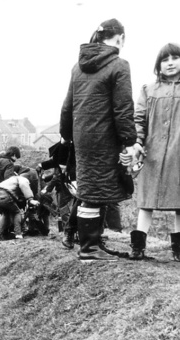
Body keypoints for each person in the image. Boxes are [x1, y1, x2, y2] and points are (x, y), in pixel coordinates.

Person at [60, 18, 143, 261]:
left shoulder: (78, 67)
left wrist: (67, 137)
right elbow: (123, 109)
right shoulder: (120, 65)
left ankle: (92, 244)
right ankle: (89, 249)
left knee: (90, 190)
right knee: (98, 190)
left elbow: (67, 107)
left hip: (83, 138)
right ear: (121, 38)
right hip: (105, 138)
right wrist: (129, 141)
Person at [130, 43, 180, 261]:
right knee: (146, 201)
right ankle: (138, 246)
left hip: (178, 155)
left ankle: (178, 250)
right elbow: (138, 119)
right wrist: (138, 143)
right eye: (165, 59)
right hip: (153, 154)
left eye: (175, 58)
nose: (170, 63)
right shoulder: (148, 90)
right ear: (158, 65)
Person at [0, 173, 39, 241]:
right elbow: (23, 185)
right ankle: (18, 234)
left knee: (6, 214)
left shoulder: (11, 179)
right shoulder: (23, 179)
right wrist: (30, 199)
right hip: (5, 195)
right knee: (17, 212)